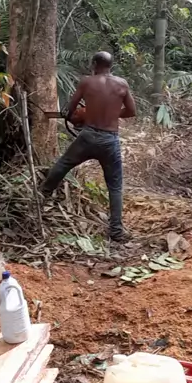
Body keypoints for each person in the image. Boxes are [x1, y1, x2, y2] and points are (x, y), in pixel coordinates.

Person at [41, 51, 136, 241]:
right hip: (110, 140)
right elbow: (131, 111)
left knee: (63, 164)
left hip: (88, 136)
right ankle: (116, 231)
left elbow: (69, 110)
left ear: (94, 64)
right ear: (111, 65)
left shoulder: (86, 82)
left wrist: (82, 115)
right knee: (115, 187)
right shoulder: (122, 84)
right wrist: (111, 113)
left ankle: (41, 197)